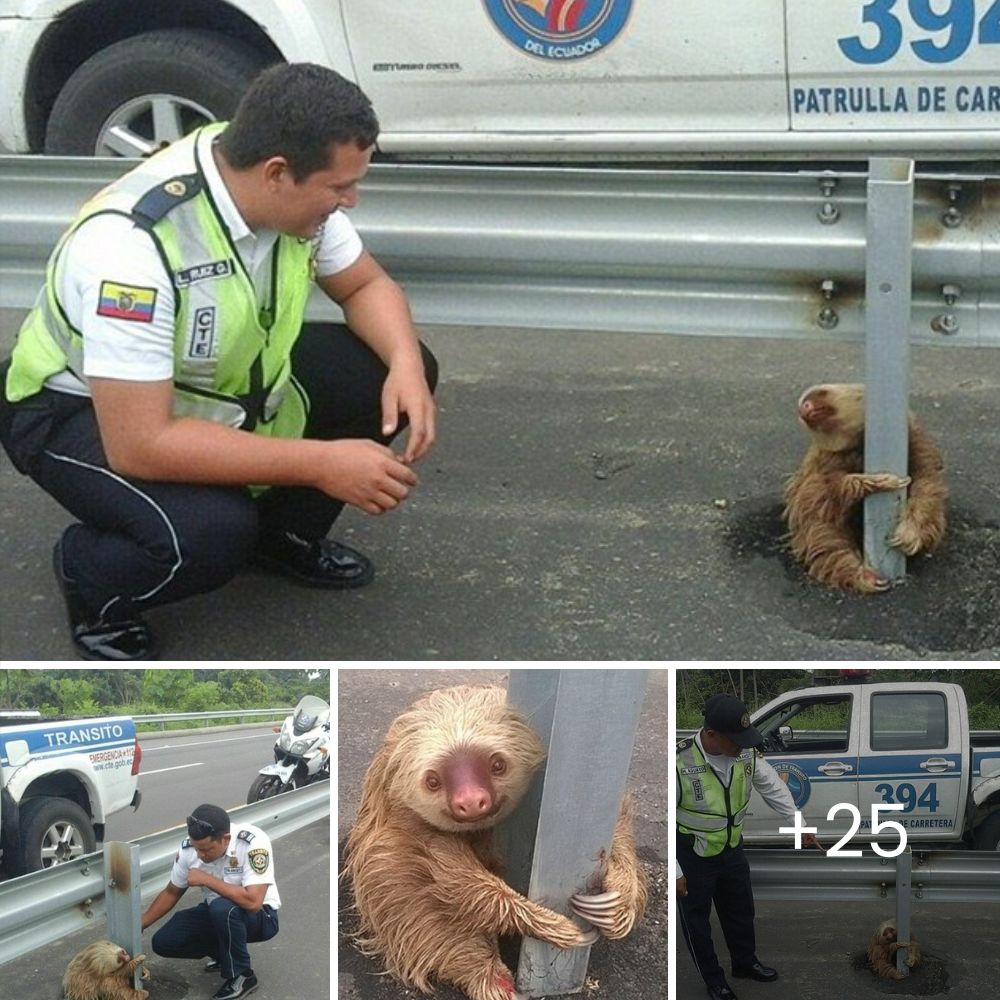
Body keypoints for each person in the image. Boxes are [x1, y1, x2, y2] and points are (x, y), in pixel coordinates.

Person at [0, 62, 437, 660]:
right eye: (340, 188)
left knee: (386, 370)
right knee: (208, 532)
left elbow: (366, 288)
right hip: (76, 408)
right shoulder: (132, 247)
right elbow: (140, 442)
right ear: (278, 174)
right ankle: (93, 577)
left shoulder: (269, 169)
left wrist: (407, 365)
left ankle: (280, 536)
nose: (350, 201)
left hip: (206, 387)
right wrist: (320, 463)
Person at [676, 694, 823, 1000]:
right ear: (712, 735)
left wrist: (798, 823)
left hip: (731, 849)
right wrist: (675, 871)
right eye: (736, 740)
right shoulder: (679, 762)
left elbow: (772, 786)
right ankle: (714, 980)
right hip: (693, 855)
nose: (742, 746)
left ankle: (745, 963)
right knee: (697, 924)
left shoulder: (745, 754)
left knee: (741, 911)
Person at [141, 804, 279, 1000]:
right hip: (217, 912)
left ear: (226, 839)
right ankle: (223, 955)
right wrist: (141, 923)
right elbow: (172, 892)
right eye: (197, 848)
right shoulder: (190, 849)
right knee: (164, 941)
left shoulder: (252, 842)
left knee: (223, 909)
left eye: (206, 850)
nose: (200, 855)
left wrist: (206, 879)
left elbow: (253, 901)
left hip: (261, 916)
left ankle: (242, 975)